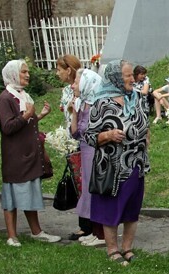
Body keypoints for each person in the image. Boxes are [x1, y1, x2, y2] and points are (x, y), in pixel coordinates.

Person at [83, 60, 150, 266]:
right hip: (112, 166)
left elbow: (145, 124)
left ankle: (127, 248)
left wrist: (145, 139)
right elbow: (89, 136)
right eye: (127, 76)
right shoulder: (101, 103)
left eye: (131, 75)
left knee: (132, 206)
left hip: (136, 161)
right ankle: (112, 250)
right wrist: (109, 135)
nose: (133, 79)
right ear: (115, 78)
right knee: (111, 207)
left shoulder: (137, 98)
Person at [0, 59, 61, 247]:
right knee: (12, 193)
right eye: (23, 72)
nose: (27, 75)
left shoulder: (22, 95)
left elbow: (26, 123)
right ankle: (12, 235)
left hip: (29, 153)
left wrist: (39, 115)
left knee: (31, 191)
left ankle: (36, 231)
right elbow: (7, 127)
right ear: (13, 74)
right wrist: (27, 115)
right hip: (15, 155)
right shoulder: (6, 98)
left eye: (27, 72)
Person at [55, 54, 91, 241]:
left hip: (82, 140)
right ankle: (84, 223)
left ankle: (88, 225)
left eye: (59, 70)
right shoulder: (66, 91)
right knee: (79, 183)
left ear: (68, 70)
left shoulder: (81, 87)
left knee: (84, 182)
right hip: (72, 138)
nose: (57, 73)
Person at [69, 68, 106, 247]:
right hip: (85, 150)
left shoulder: (96, 106)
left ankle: (101, 234)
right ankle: (95, 230)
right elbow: (75, 133)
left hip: (94, 152)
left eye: (76, 82)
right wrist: (74, 111)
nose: (73, 85)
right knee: (88, 190)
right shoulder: (82, 104)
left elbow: (93, 132)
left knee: (95, 189)